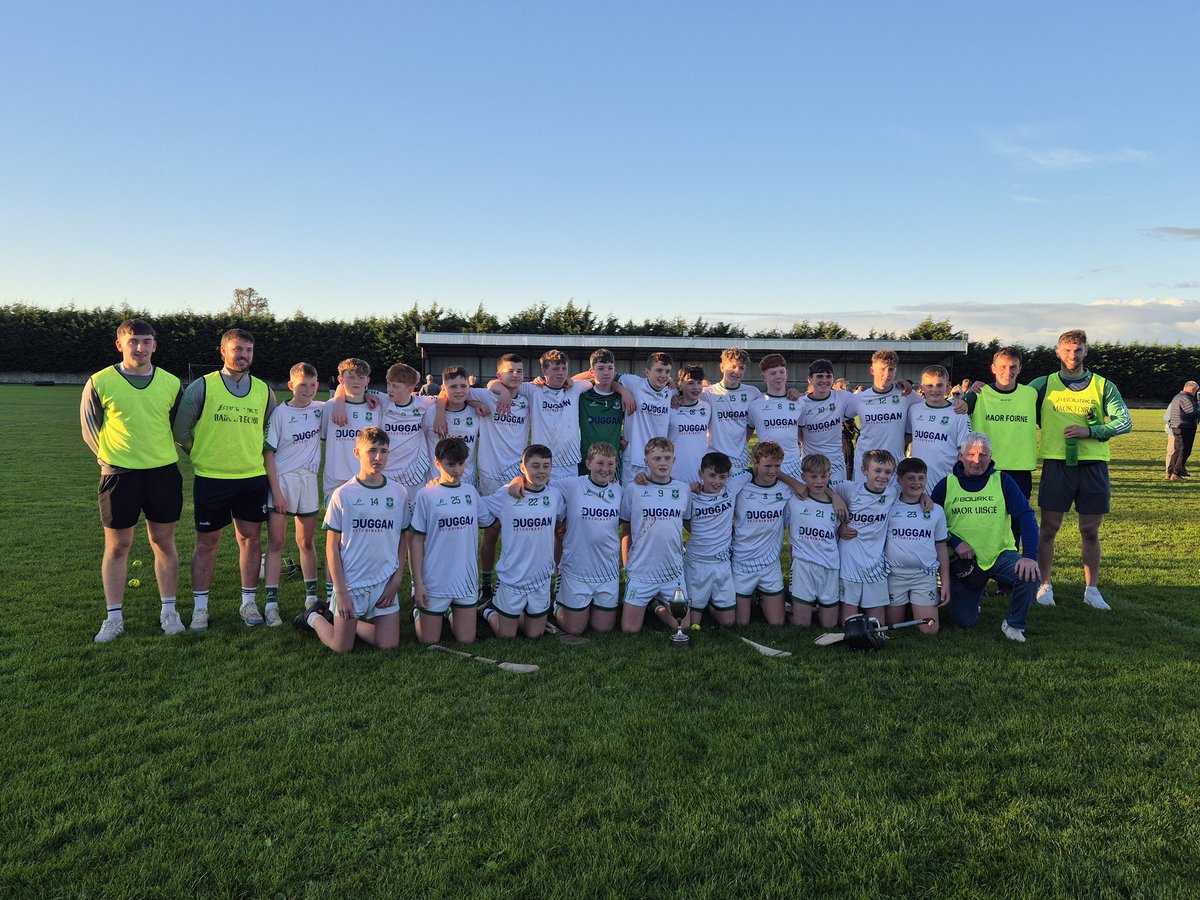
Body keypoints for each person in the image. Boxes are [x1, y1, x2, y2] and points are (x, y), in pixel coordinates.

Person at [82, 318, 184, 642]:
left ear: (155, 344)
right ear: (120, 345)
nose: (139, 348)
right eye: (132, 342)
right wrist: (109, 459)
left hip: (163, 473)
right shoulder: (99, 381)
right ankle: (113, 617)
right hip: (119, 476)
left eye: (146, 341)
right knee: (118, 546)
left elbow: (179, 428)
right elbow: (89, 428)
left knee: (163, 542)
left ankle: (169, 611)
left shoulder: (170, 383)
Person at [173, 328, 277, 630]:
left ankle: (248, 604)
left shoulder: (263, 389)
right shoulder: (201, 387)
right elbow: (181, 432)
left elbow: (271, 430)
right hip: (212, 478)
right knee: (207, 543)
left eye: (248, 350)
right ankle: (200, 609)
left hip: (252, 478)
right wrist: (203, 454)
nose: (243, 354)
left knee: (250, 540)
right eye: (237, 349)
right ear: (223, 351)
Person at [1028, 329, 1132, 610]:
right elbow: (1012, 398)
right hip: (1056, 464)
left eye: (1078, 350)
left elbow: (1125, 422)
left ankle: (1092, 589)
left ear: (1086, 351)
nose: (1072, 356)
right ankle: (1045, 585)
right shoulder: (1042, 384)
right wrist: (975, 394)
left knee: (1089, 530)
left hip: (1093, 466)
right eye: (1067, 350)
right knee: (1048, 528)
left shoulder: (1102, 385)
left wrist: (1091, 431)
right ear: (1057, 352)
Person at [294, 427, 408, 652]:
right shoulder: (343, 494)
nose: (378, 457)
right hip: (351, 583)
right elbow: (331, 548)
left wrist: (396, 581)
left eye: (383, 451)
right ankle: (314, 618)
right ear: (357, 453)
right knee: (341, 647)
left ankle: (351, 624)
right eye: (372, 450)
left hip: (384, 581)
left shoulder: (398, 493)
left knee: (389, 645)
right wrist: (341, 592)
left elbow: (402, 538)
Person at [931, 432, 1040, 642]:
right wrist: (955, 542)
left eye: (983, 455)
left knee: (1030, 575)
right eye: (971, 454)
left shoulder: (1003, 481)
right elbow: (932, 524)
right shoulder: (946, 485)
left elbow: (1026, 516)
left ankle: (1014, 625)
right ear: (960, 456)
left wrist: (1029, 555)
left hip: (999, 554)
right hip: (964, 562)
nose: (976, 460)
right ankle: (974, 594)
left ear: (990, 457)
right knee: (964, 622)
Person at [479, 445, 566, 640]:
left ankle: (521, 613)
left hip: (541, 578)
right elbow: (477, 506)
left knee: (534, 635)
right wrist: (441, 485)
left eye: (546, 466)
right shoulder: (506, 494)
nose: (541, 471)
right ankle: (489, 611)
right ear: (522, 467)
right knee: (506, 636)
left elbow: (564, 517)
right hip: (512, 578)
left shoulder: (554, 496)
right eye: (535, 466)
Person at [408, 437, 486, 645]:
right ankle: (420, 613)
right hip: (435, 580)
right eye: (450, 464)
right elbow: (415, 541)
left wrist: (518, 483)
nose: (457, 470)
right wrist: (418, 584)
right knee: (428, 640)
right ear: (437, 464)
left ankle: (450, 612)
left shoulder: (471, 492)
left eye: (461, 464)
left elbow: (492, 519)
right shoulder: (426, 495)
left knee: (466, 639)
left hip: (465, 579)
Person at [263, 362, 324, 620]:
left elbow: (349, 399)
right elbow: (268, 453)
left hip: (308, 482)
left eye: (312, 385)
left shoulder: (322, 410)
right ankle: (271, 603)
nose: (308, 390)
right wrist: (276, 492)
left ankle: (311, 596)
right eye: (302, 385)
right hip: (282, 481)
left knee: (306, 542)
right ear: (291, 386)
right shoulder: (279, 413)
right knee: (276, 542)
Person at [619, 437, 692, 633]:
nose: (662, 463)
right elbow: (626, 530)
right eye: (657, 458)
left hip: (672, 571)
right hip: (642, 570)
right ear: (646, 462)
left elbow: (687, 524)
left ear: (674, 460)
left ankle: (656, 606)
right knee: (629, 630)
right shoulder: (634, 489)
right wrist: (627, 566)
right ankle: (649, 602)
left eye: (667, 458)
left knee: (682, 625)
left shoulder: (683, 490)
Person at [554, 442, 623, 635]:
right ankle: (556, 604)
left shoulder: (619, 491)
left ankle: (585, 606)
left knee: (604, 628)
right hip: (577, 569)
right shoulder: (572, 485)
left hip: (607, 571)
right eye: (600, 463)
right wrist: (518, 480)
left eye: (610, 464)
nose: (605, 469)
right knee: (574, 629)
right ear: (588, 463)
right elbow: (538, 484)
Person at [833, 449, 900, 624]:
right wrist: (836, 499)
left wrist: (924, 496)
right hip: (849, 560)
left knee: (878, 623)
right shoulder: (849, 489)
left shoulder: (892, 493)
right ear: (864, 471)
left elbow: (912, 490)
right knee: (849, 618)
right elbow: (822, 488)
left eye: (888, 472)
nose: (882, 476)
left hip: (875, 562)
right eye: (877, 471)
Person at [884, 457, 950, 633]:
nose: (916, 482)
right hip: (894, 575)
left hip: (923, 575)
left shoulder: (935, 511)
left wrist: (945, 584)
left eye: (921, 478)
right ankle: (909, 607)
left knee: (930, 631)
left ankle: (917, 604)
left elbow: (941, 548)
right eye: (910, 478)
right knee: (893, 626)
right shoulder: (888, 506)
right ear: (899, 480)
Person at [731, 441, 793, 626]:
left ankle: (763, 597)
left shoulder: (785, 490)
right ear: (755, 464)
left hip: (770, 563)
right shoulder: (740, 488)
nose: (773, 471)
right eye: (767, 466)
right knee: (741, 623)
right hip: (743, 562)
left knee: (777, 623)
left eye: (777, 466)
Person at [683, 451, 742, 628]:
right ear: (701, 474)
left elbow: (754, 470)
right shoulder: (691, 495)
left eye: (722, 477)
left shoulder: (731, 488)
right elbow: (685, 519)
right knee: (693, 623)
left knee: (729, 622)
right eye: (711, 476)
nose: (716, 481)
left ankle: (709, 603)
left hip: (722, 563)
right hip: (697, 562)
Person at [785, 454, 842, 629]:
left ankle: (808, 606)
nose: (819, 481)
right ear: (803, 477)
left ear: (829, 475)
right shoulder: (794, 500)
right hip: (803, 565)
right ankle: (780, 606)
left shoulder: (837, 504)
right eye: (813, 476)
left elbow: (840, 532)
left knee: (830, 625)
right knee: (801, 625)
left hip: (830, 566)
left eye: (823, 476)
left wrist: (835, 497)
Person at [906, 365, 970, 490]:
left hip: (947, 482)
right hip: (918, 483)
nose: (934, 390)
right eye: (929, 385)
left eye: (940, 385)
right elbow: (907, 437)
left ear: (948, 386)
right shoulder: (914, 410)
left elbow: (965, 451)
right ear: (922, 387)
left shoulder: (958, 413)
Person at [616, 352, 675, 486]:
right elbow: (601, 377)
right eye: (659, 370)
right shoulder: (633, 383)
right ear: (647, 372)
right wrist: (624, 392)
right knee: (629, 503)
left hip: (659, 461)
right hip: (633, 459)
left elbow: (701, 385)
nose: (663, 375)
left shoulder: (671, 391)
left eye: (667, 371)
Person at [702, 348, 762, 471]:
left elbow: (754, 422)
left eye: (742, 368)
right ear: (722, 367)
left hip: (740, 456)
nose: (737, 372)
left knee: (737, 489)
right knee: (715, 489)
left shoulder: (753, 392)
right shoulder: (708, 393)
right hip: (714, 454)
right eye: (733, 366)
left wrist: (792, 393)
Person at [799, 359, 854, 486]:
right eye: (819, 376)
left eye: (828, 376)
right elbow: (799, 433)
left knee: (838, 501)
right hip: (811, 463)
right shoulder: (801, 404)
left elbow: (869, 397)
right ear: (810, 380)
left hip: (836, 464)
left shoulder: (843, 397)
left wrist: (899, 384)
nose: (824, 380)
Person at [749, 354, 803, 478]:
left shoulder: (799, 402)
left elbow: (802, 436)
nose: (778, 376)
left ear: (786, 373)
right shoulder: (754, 405)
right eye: (773, 373)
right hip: (768, 468)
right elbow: (746, 436)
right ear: (763, 377)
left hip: (794, 468)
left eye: (781, 372)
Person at [578, 349, 625, 478]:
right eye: (601, 368)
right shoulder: (582, 394)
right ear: (592, 371)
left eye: (610, 368)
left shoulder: (621, 396)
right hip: (586, 460)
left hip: (611, 463)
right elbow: (568, 381)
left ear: (615, 371)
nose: (606, 372)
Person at [668, 365, 711, 485]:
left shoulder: (707, 407)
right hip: (674, 476)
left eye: (699, 383)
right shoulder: (670, 408)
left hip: (700, 477)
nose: (696, 387)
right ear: (680, 384)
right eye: (691, 383)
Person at [1165, 380, 1198, 480]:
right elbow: (1192, 413)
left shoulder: (1177, 397)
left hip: (1177, 426)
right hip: (1185, 427)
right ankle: (1176, 473)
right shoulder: (1185, 398)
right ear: (1192, 388)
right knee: (1184, 451)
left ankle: (1170, 472)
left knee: (1177, 450)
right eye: (1196, 390)